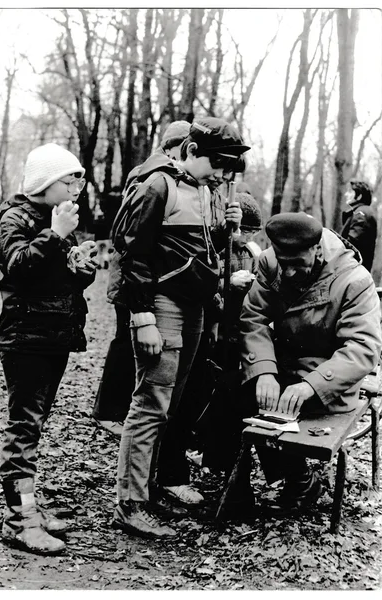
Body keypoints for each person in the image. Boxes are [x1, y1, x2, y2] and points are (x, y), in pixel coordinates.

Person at [111, 117, 249, 538]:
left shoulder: (206, 191)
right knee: (152, 400)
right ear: (190, 151)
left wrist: (230, 226)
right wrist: (143, 317)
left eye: (230, 168)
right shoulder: (157, 185)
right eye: (219, 164)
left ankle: (149, 491)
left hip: (196, 306)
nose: (225, 175)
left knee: (172, 402)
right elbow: (132, 253)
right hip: (162, 305)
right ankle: (130, 503)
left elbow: (203, 251)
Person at [229, 212, 381, 518]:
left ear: (318, 250)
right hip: (283, 368)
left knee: (281, 406)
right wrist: (263, 371)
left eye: (297, 264)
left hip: (327, 381)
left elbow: (362, 349)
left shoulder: (354, 280)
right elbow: (253, 318)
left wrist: (311, 384)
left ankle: (299, 481)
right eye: (282, 264)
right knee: (234, 389)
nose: (287, 273)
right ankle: (239, 487)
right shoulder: (271, 262)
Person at [0, 143, 99, 555]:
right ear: (47, 182)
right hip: (26, 337)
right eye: (71, 178)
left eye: (80, 178)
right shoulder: (16, 218)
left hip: (52, 335)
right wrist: (55, 235)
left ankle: (30, 510)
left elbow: (54, 281)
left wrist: (80, 270)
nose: (79, 186)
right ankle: (20, 519)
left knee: (33, 426)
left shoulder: (54, 218)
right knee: (24, 428)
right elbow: (17, 266)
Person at [156, 191, 263, 505]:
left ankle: (207, 459)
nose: (245, 239)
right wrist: (224, 287)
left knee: (212, 398)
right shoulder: (211, 245)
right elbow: (199, 284)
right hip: (199, 329)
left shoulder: (251, 252)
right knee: (184, 401)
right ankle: (170, 474)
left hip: (225, 335)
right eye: (242, 232)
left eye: (250, 234)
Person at [92, 121, 191, 435]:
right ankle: (108, 412)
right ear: (169, 147)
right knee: (124, 341)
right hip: (130, 277)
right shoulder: (149, 176)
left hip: (139, 275)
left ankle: (118, 410)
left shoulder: (160, 174)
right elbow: (129, 234)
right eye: (181, 149)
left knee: (127, 343)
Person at [340, 180, 377, 272]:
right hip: (354, 270)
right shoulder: (361, 212)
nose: (346, 194)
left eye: (349, 192)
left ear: (359, 196)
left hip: (352, 271)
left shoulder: (361, 213)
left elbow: (352, 245)